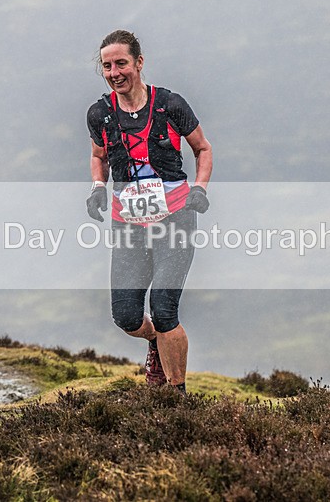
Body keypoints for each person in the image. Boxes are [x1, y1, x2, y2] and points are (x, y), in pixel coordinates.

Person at [85, 29, 213, 394]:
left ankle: (176, 395)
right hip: (128, 224)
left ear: (139, 63)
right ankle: (156, 343)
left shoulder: (170, 105)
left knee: (163, 307)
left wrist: (199, 190)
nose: (114, 72)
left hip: (174, 218)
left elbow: (203, 149)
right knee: (125, 315)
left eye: (121, 63)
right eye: (107, 66)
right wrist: (97, 188)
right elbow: (99, 156)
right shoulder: (99, 114)